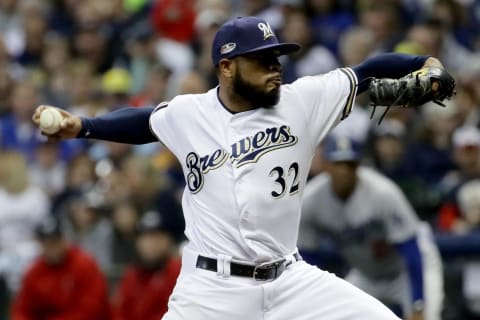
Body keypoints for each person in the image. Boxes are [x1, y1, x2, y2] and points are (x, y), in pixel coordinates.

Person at [32, 16, 450, 320]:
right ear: (226, 67)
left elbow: (368, 70)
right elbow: (144, 121)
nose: (275, 68)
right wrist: (84, 126)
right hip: (211, 290)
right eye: (262, 60)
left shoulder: (302, 100)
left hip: (290, 280)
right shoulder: (188, 113)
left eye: (276, 58)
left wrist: (428, 63)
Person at [299, 135, 444, 320]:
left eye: (350, 164)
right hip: (366, 274)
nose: (343, 170)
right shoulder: (311, 200)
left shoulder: (382, 192)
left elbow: (411, 251)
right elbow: (308, 257)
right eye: (337, 163)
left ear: (358, 165)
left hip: (408, 271)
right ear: (326, 165)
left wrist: (418, 304)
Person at [11, 215, 111, 320]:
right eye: (47, 244)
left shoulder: (85, 264)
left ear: (64, 240)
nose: (52, 248)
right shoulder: (34, 272)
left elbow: (91, 309)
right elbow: (21, 311)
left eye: (55, 242)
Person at [112, 211, 181, 320]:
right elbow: (120, 312)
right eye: (145, 238)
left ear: (168, 240)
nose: (151, 244)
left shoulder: (178, 273)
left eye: (156, 237)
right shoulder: (131, 275)